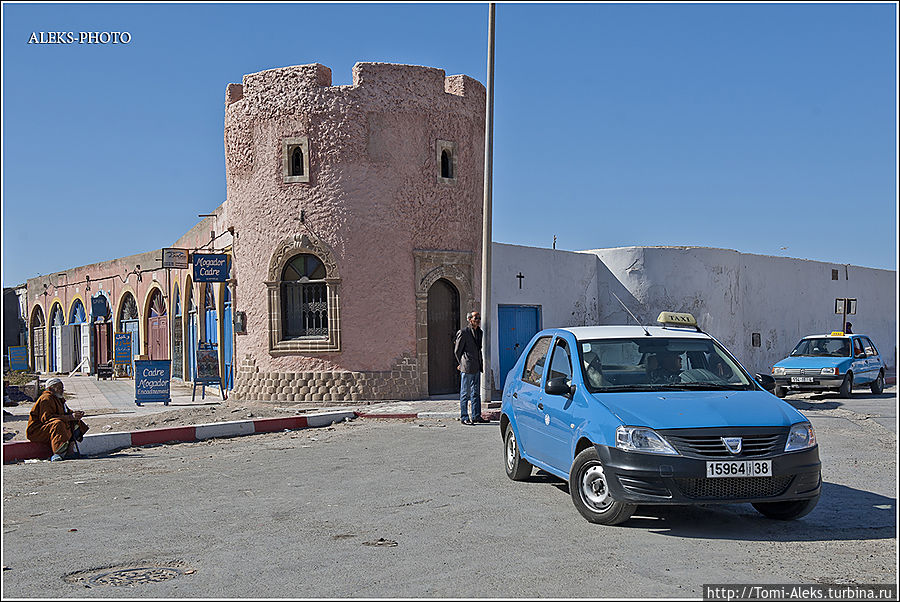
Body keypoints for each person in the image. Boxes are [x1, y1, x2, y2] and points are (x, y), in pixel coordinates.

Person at [26, 377, 88, 461]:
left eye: (62, 388)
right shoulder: (46, 398)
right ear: (50, 389)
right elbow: (47, 418)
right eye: (59, 388)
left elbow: (66, 412)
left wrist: (75, 415)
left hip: (49, 426)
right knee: (58, 424)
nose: (61, 390)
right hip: (37, 431)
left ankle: (70, 451)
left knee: (75, 422)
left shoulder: (58, 399)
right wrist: (69, 417)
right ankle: (58, 453)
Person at [454, 311, 488, 425]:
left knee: (476, 393)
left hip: (477, 366)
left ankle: (476, 416)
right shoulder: (463, 332)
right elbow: (457, 350)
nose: (478, 320)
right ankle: (464, 417)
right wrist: (461, 363)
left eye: (479, 318)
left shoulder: (480, 332)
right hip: (467, 367)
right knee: (465, 393)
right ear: (469, 319)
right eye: (475, 318)